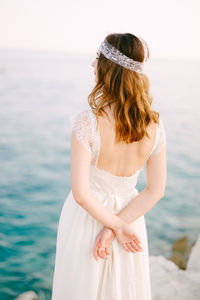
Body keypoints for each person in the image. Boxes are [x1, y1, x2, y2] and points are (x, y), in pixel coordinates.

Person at [51, 32, 167, 300]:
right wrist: (120, 226)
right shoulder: (155, 125)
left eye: (97, 58)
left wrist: (110, 227)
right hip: (131, 220)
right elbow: (155, 190)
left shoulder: (86, 122)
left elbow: (81, 194)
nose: (93, 65)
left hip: (87, 220)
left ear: (108, 68)